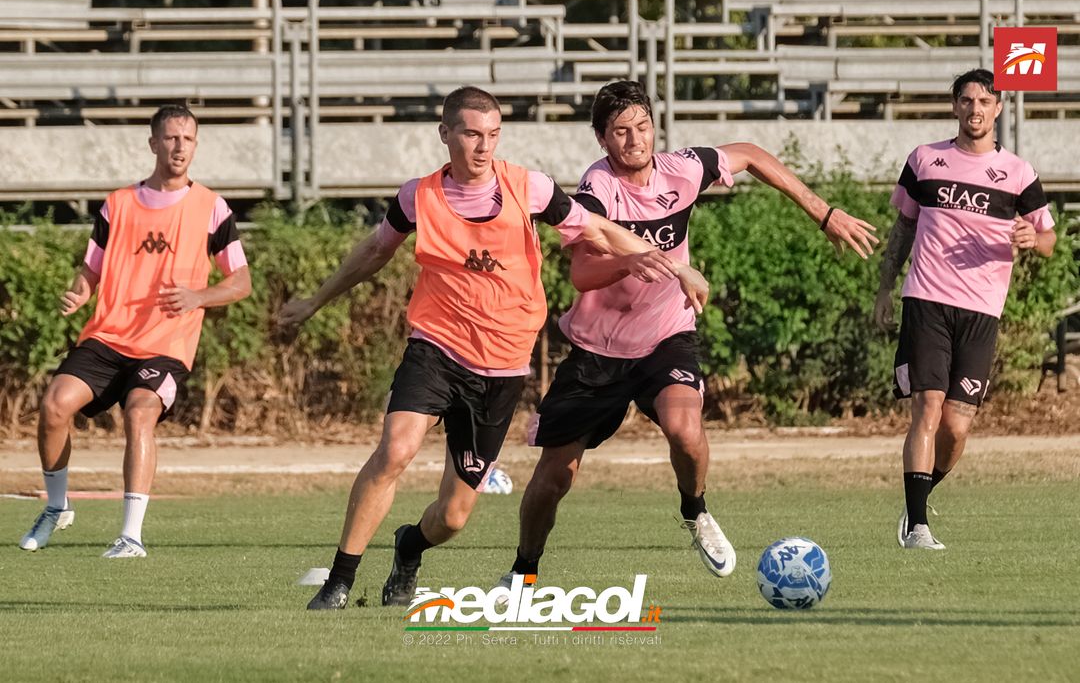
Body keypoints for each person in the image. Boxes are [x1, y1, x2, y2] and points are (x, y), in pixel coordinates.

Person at [277, 86, 709, 611]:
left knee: (454, 517)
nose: (484, 147)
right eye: (472, 134)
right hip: (435, 346)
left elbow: (598, 227)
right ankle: (339, 582)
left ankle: (409, 546)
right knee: (396, 448)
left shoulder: (530, 188)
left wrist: (675, 265)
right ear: (446, 134)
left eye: (493, 135)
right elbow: (374, 251)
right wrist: (315, 301)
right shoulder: (419, 196)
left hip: (502, 365)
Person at [499, 80, 879, 587]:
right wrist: (638, 259)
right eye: (620, 131)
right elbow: (581, 275)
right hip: (598, 351)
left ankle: (695, 511)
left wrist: (823, 212)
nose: (634, 139)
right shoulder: (598, 190)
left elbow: (750, 154)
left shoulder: (682, 169)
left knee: (686, 430)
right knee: (554, 478)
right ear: (601, 139)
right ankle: (524, 571)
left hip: (666, 335)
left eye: (642, 126)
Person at [18, 104, 252, 558]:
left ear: (196, 145)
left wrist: (198, 296)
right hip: (107, 337)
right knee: (53, 406)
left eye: (188, 138)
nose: (180, 145)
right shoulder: (118, 203)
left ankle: (130, 536)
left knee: (140, 412)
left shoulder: (211, 208)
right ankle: (56, 507)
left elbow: (240, 282)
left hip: (165, 345)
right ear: (153, 143)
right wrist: (79, 293)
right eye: (171, 137)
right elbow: (91, 268)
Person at [874, 68, 1056, 550]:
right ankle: (918, 528)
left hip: (982, 312)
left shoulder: (1019, 172)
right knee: (926, 410)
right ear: (955, 105)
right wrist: (885, 289)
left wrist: (1032, 238)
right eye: (967, 100)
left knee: (955, 429)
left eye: (984, 101)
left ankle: (919, 496)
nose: (975, 109)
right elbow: (902, 230)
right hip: (926, 300)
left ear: (998, 109)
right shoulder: (925, 160)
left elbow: (1050, 239)